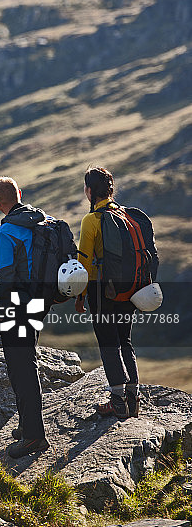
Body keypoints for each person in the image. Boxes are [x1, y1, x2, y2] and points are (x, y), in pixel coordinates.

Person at [75, 166, 159, 419]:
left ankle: (117, 402)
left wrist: (80, 296)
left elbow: (85, 263)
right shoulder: (126, 216)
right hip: (131, 290)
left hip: (103, 292)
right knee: (125, 341)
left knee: (108, 344)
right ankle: (133, 399)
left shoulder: (92, 220)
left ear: (90, 191)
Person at [0, 176, 51, 459]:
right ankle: (27, 425)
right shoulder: (42, 221)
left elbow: (5, 277)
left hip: (16, 304)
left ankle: (33, 437)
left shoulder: (6, 233)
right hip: (39, 300)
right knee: (26, 360)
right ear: (20, 194)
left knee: (20, 367)